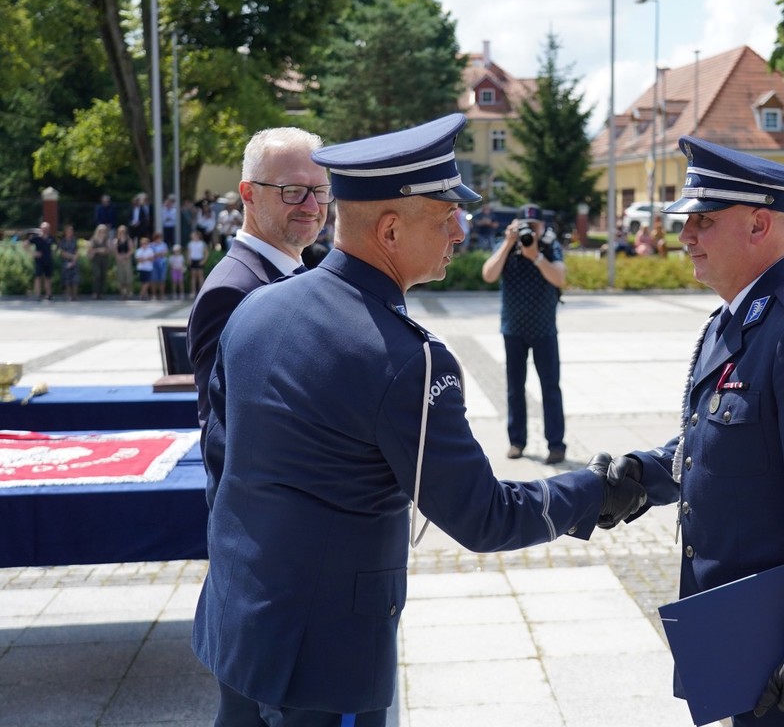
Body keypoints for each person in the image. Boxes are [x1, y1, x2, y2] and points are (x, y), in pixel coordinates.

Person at [192, 113, 646, 727]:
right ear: (390, 230)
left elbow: (223, 458)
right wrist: (600, 489)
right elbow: (485, 517)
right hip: (324, 658)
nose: (461, 231)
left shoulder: (257, 309)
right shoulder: (406, 358)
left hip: (240, 619)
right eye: (445, 216)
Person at [601, 135, 784, 727]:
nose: (685, 235)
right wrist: (646, 474)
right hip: (744, 624)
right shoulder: (734, 319)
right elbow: (725, 442)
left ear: (759, 225)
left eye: (703, 220)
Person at [187, 127, 330, 506]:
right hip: (275, 523)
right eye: (293, 191)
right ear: (248, 194)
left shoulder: (296, 274)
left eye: (320, 190)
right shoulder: (233, 292)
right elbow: (227, 440)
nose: (312, 206)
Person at [481, 202, 568, 465]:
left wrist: (536, 257)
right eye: (525, 226)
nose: (530, 231)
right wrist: (509, 242)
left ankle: (556, 445)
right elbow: (488, 275)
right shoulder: (507, 246)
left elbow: (560, 279)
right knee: (514, 389)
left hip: (544, 330)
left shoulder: (550, 246)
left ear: (542, 227)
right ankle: (517, 442)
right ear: (516, 226)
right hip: (513, 330)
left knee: (550, 387)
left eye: (535, 226)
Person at [29, 222, 55, 301]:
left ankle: (49, 294)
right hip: (39, 261)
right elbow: (25, 245)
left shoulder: (51, 238)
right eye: (43, 228)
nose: (45, 230)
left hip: (48, 260)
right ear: (40, 228)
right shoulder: (36, 238)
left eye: (47, 228)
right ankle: (37, 295)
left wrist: (53, 252)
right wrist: (33, 253)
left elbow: (57, 246)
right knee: (38, 277)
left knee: (48, 277)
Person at [87, 224, 112, 299]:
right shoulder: (93, 239)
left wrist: (105, 250)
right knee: (97, 275)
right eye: (100, 231)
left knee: (103, 276)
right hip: (96, 259)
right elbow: (90, 250)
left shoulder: (107, 239)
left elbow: (109, 250)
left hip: (104, 259)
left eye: (104, 231)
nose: (102, 232)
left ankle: (101, 293)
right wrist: (98, 250)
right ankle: (95, 292)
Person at [59, 224, 80, 301]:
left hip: (74, 262)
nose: (70, 232)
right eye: (68, 230)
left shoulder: (75, 240)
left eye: (71, 230)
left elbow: (77, 251)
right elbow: (62, 253)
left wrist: (74, 260)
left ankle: (75, 296)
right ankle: (69, 295)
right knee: (67, 280)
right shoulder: (62, 241)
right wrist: (72, 257)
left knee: (75, 280)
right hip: (66, 262)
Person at [113, 224, 134, 300]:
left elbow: (131, 249)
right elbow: (115, 251)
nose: (122, 233)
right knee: (121, 276)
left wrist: (126, 256)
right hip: (119, 259)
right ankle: (123, 293)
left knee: (128, 276)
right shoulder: (116, 241)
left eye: (123, 231)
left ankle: (129, 292)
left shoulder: (129, 240)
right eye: (121, 231)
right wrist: (119, 257)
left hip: (127, 258)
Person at [187, 229, 209, 297]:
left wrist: (203, 261)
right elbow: (189, 252)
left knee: (200, 276)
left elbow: (206, 253)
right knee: (193, 277)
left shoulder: (202, 243)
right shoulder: (190, 243)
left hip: (200, 260)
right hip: (193, 260)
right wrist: (189, 260)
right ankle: (193, 291)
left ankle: (201, 291)